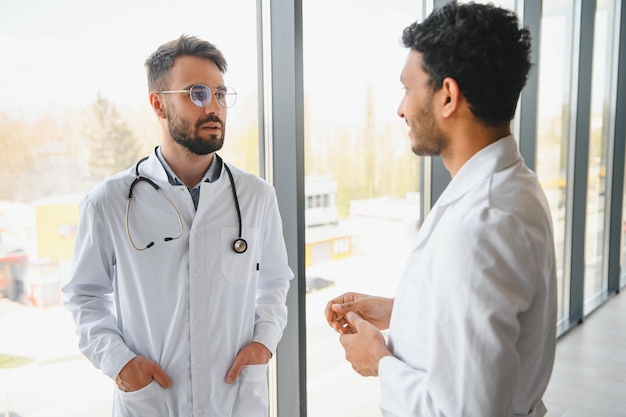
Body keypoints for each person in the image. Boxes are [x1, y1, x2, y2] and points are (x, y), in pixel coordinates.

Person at [325, 3, 557, 417]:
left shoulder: (482, 223)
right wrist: (402, 311)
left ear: (447, 96)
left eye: (407, 88)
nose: (400, 109)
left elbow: (469, 411)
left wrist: (379, 362)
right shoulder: (511, 186)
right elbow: (490, 327)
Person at [62, 34, 293, 417]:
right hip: (151, 401)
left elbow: (274, 281)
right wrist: (119, 363)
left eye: (220, 94)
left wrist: (264, 341)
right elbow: (84, 296)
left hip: (235, 399)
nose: (214, 107)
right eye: (197, 94)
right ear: (158, 104)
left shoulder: (256, 196)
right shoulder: (108, 201)